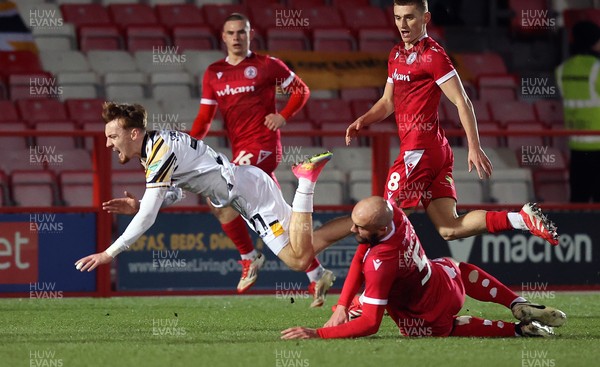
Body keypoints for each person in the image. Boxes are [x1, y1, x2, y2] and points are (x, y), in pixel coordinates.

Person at [74, 103, 348, 297]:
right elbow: (177, 192)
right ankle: (359, 221)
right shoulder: (153, 149)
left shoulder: (159, 153)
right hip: (247, 187)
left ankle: (305, 182)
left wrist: (109, 253)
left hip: (249, 195)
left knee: (297, 260)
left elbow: (147, 217)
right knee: (305, 245)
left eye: (113, 136)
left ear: (133, 133)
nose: (109, 144)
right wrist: (139, 205)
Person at [345, 0, 559, 246]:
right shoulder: (396, 54)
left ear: (425, 18)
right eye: (397, 17)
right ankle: (520, 219)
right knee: (450, 228)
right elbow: (387, 102)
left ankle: (374, 284)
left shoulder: (433, 56)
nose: (402, 24)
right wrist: (363, 120)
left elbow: (462, 100)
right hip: (434, 151)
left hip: (420, 150)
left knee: (379, 220)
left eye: (409, 18)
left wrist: (474, 146)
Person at [189, 13, 333, 304]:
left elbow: (300, 90)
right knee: (275, 215)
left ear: (249, 34)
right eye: (231, 33)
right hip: (241, 150)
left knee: (218, 193)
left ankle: (249, 256)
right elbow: (205, 117)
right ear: (223, 36)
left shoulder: (267, 65)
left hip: (264, 146)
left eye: (241, 32)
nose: (236, 38)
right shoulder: (213, 73)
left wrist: (283, 115)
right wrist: (189, 146)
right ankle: (317, 274)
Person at [281, 197, 567, 340]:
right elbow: (359, 255)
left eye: (359, 227)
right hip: (443, 281)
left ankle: (518, 330)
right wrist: (342, 304)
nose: (352, 229)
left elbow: (371, 324)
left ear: (379, 229)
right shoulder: (394, 214)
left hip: (424, 316)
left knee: (450, 326)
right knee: (456, 265)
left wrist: (317, 333)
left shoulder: (382, 261)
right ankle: (515, 302)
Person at [556, 21, 600, 203]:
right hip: (598, 145)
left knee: (578, 200)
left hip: (575, 145)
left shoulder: (562, 69)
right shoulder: (597, 68)